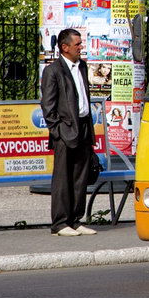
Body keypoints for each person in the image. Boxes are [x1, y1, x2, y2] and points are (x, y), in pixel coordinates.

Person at [40, 28, 97, 237]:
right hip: (65, 130)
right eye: (77, 44)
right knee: (63, 178)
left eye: (81, 43)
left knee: (80, 177)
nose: (81, 47)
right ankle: (60, 223)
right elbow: (48, 106)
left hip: (82, 126)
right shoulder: (53, 71)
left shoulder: (81, 66)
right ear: (65, 47)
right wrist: (58, 131)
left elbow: (84, 97)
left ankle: (75, 220)